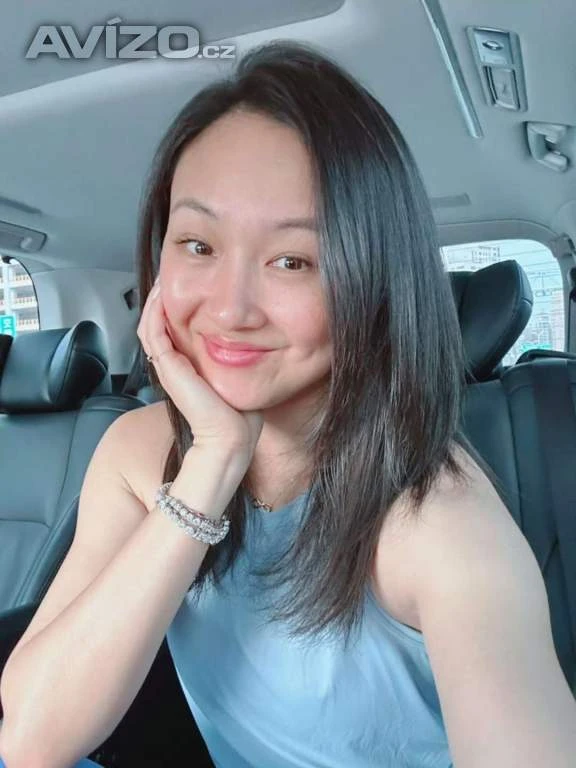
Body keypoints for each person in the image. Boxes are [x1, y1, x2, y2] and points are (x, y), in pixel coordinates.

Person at [2, 39, 575, 768]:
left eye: (292, 261)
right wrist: (213, 461)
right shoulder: (138, 451)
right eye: (198, 245)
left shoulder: (438, 523)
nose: (230, 309)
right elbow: (32, 740)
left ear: (372, 283)